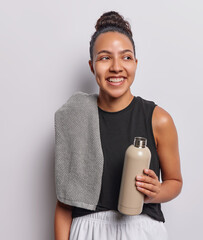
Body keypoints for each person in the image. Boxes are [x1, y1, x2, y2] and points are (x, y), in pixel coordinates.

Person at [54, 11, 183, 240]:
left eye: (125, 57)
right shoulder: (75, 119)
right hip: (87, 231)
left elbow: (175, 182)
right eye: (104, 58)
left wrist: (156, 192)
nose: (116, 67)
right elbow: (65, 202)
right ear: (92, 66)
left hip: (141, 230)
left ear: (135, 63)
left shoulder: (158, 119)